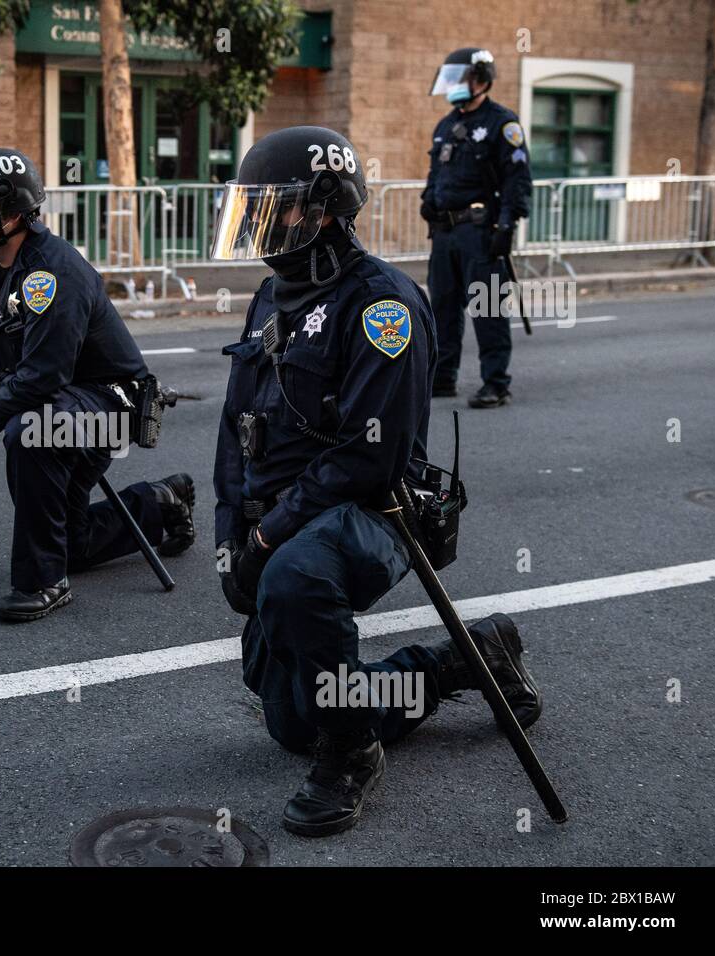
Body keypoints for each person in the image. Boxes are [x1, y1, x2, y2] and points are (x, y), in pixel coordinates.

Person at [211, 126, 542, 836]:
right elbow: (236, 425)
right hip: (294, 515)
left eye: (280, 207)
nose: (264, 224)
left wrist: (267, 537)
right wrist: (229, 534)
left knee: (294, 580)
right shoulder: (272, 295)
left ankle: (354, 753)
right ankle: (466, 659)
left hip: (376, 509)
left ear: (327, 208)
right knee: (292, 721)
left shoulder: (383, 303)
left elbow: (370, 458)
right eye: (256, 208)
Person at [0, 147, 196, 622]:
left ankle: (42, 581)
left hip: (108, 406)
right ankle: (161, 501)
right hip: (62, 404)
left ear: (11, 210)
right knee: (72, 542)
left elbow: (40, 377)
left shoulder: (51, 272)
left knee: (29, 432)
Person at [421, 48, 533, 408]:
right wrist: (428, 198)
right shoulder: (446, 126)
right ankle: (443, 377)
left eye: (461, 78)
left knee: (486, 307)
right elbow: (437, 172)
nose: (453, 85)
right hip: (445, 232)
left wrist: (506, 224)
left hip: (480, 230)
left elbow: (517, 178)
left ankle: (496, 383)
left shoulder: (502, 123)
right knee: (442, 306)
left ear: (482, 80)